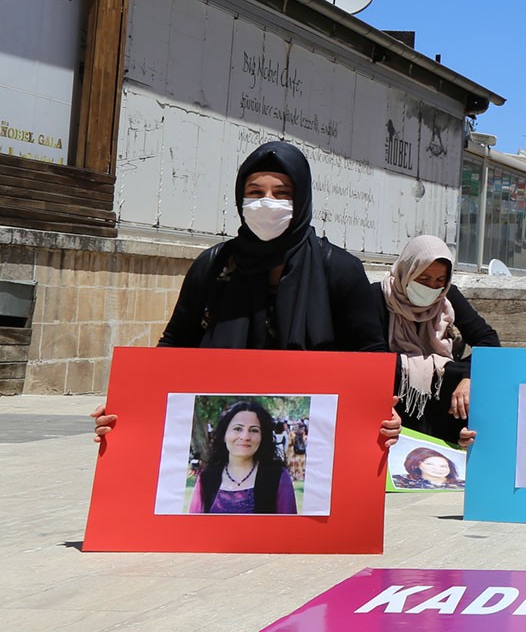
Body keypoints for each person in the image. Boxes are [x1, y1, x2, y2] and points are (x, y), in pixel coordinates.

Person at [93, 142, 401, 451]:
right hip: (226, 436)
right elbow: (175, 345)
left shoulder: (339, 269)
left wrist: (379, 411)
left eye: (282, 193)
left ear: (303, 197)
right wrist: (130, 407)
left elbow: (370, 353)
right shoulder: (213, 265)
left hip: (316, 440)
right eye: (255, 192)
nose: (267, 203)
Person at [382, 234, 500, 450]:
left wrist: (468, 377)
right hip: (394, 396)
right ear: (407, 272)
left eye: (439, 281)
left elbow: (488, 340)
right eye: (423, 279)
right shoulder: (380, 297)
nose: (431, 288)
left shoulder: (446, 297)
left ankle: (458, 439)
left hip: (439, 398)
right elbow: (370, 357)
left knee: (465, 374)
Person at [188, 398, 298, 514]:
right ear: (224, 435)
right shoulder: (206, 478)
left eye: (254, 430)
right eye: (238, 429)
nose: (245, 436)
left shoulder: (278, 477)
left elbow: (289, 529)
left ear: (263, 437)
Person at [395, 446, 462, 489]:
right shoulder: (401, 480)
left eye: (443, 466)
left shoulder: (462, 485)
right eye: (430, 464)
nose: (437, 469)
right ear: (417, 465)